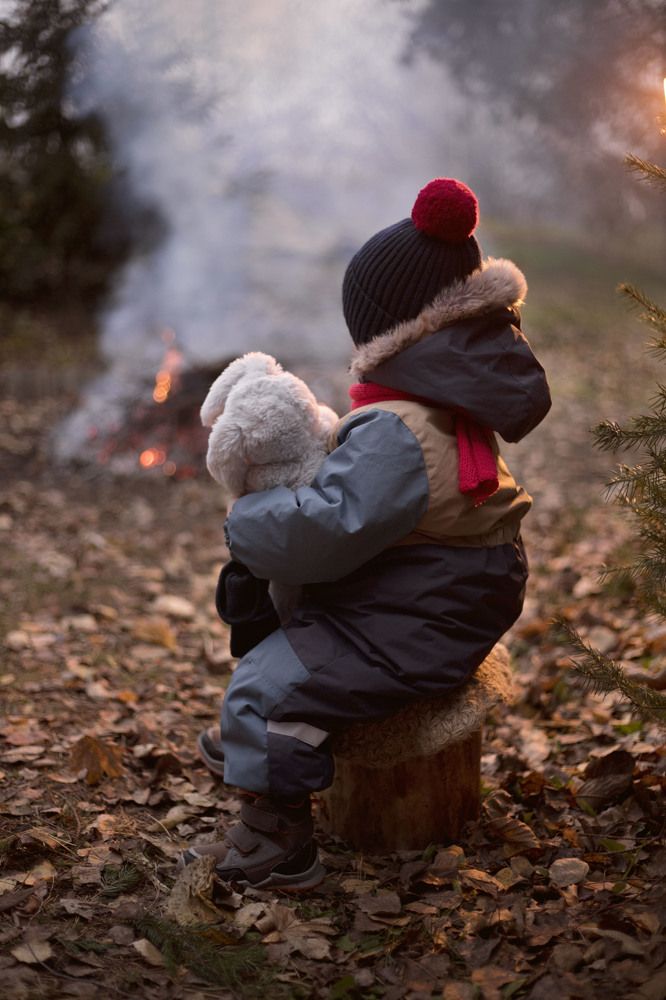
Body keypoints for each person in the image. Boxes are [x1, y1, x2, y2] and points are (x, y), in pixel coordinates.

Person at [180, 177, 551, 890]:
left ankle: (277, 842)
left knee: (268, 687)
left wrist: (250, 521)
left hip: (427, 608)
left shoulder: (396, 430)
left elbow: (326, 532)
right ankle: (257, 750)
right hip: (445, 588)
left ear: (387, 330)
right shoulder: (433, 404)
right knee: (296, 633)